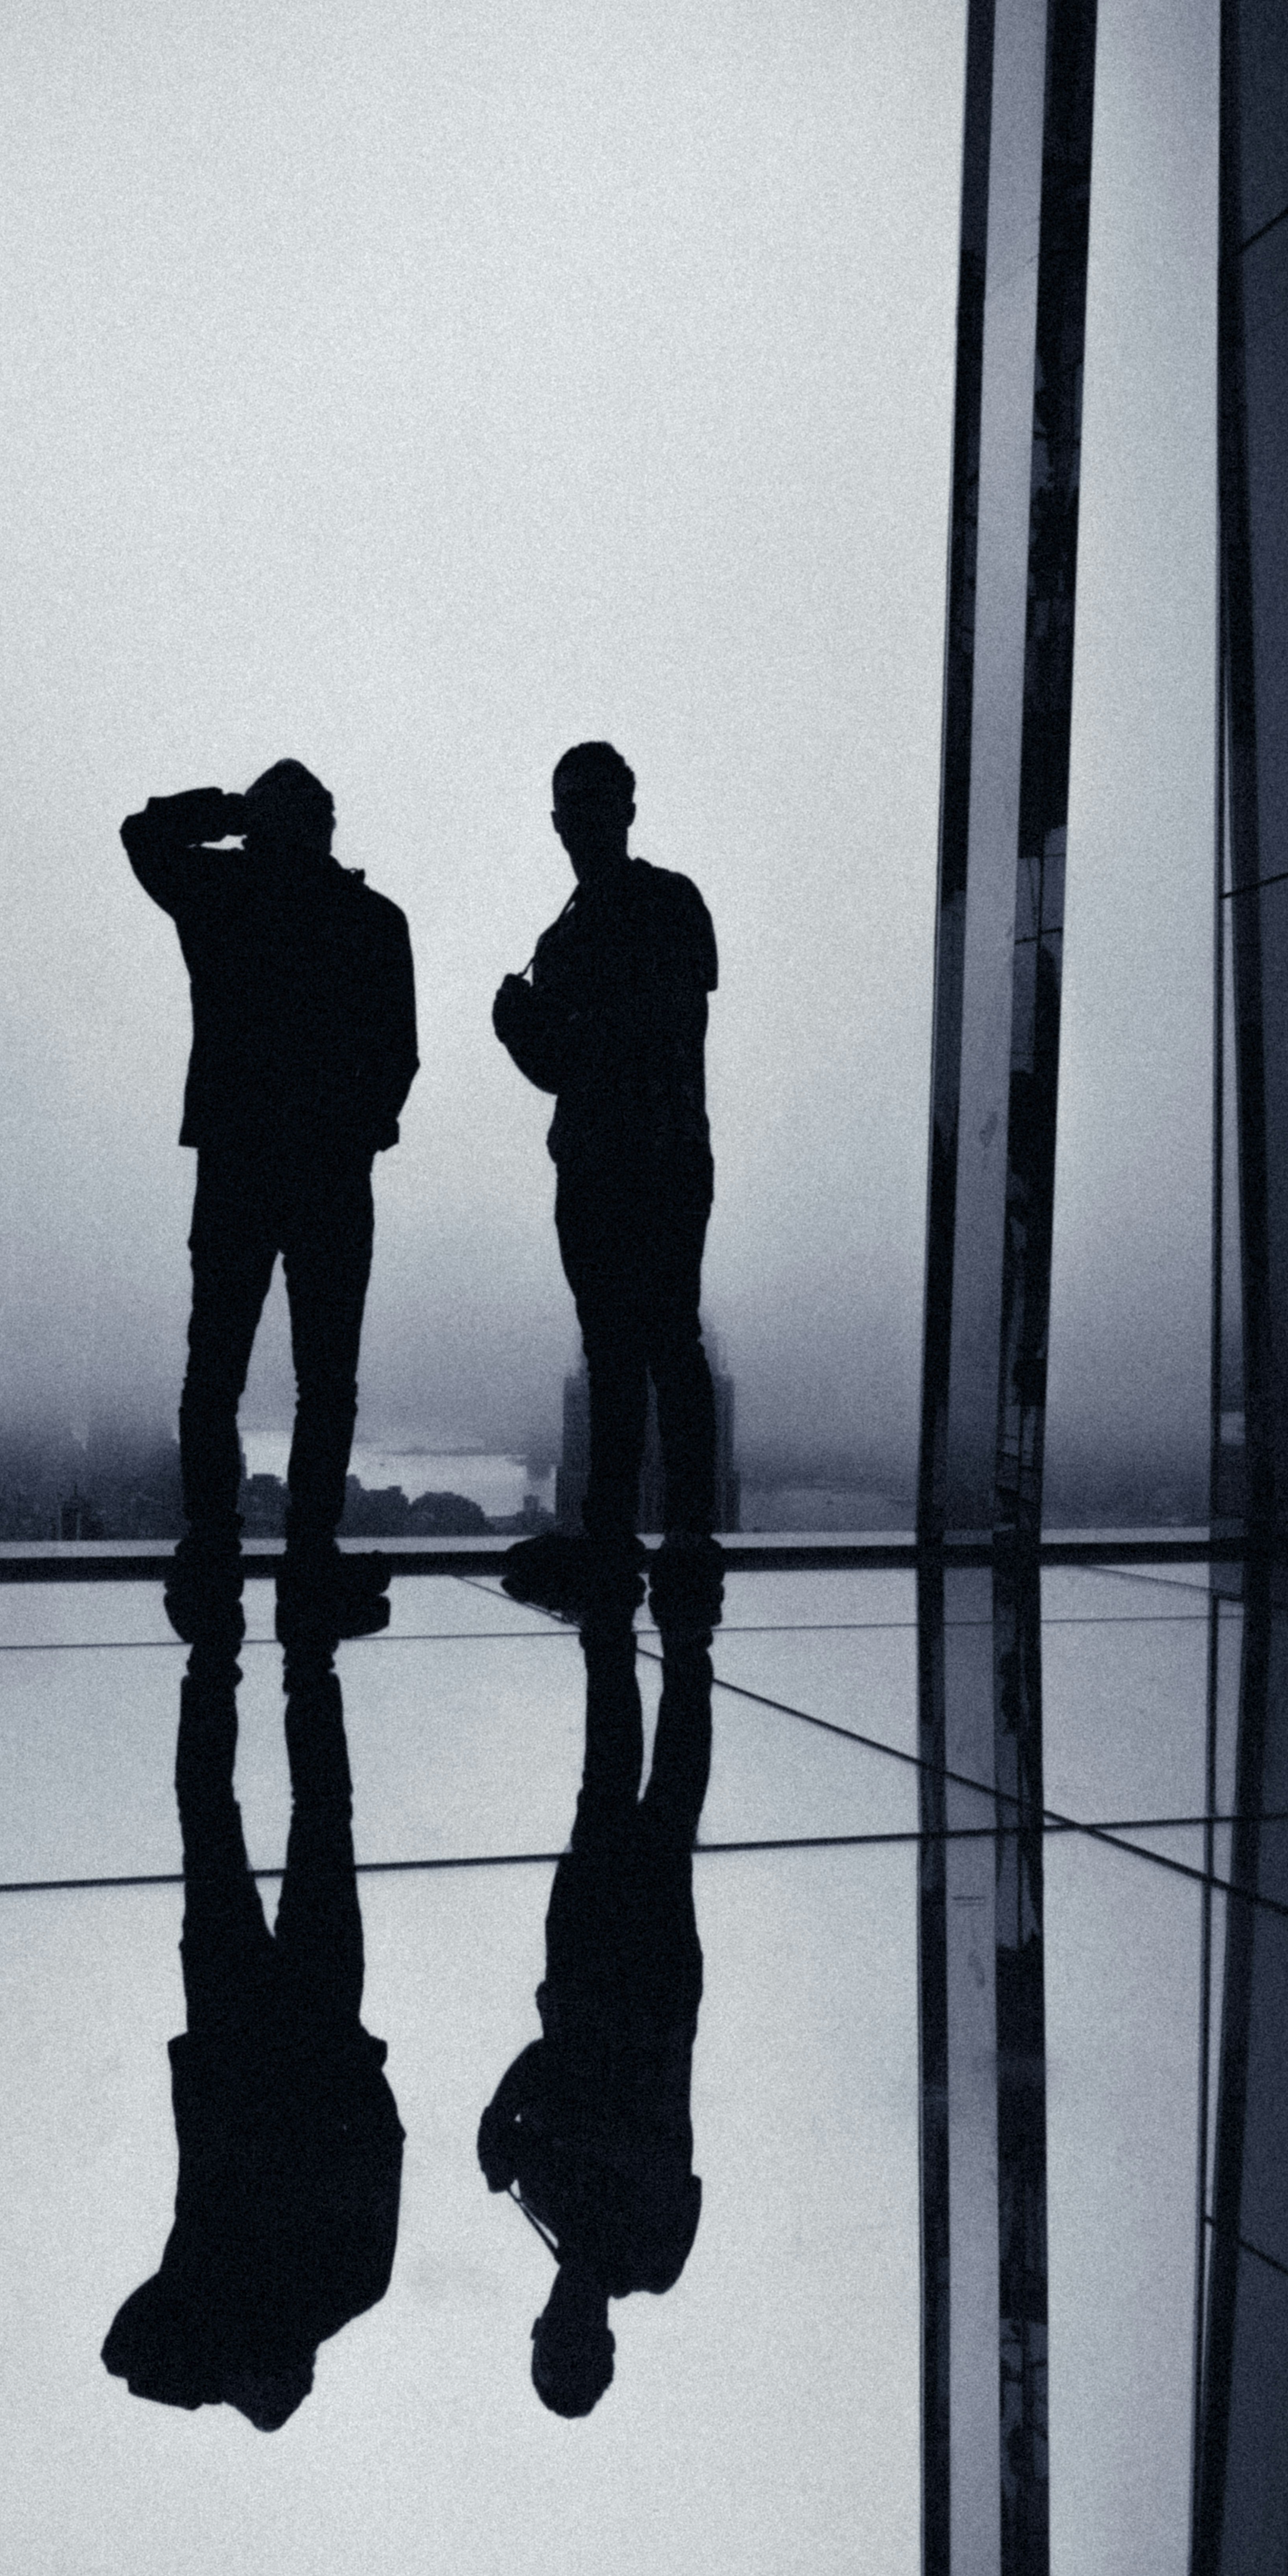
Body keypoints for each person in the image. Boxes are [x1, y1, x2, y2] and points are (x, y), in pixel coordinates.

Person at [120, 760, 417, 1637]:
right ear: (326, 827)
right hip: (327, 1174)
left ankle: (215, 1551)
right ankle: (307, 1559)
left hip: (241, 1164)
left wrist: (225, 812)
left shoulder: (222, 895)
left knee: (218, 1371)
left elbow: (143, 835)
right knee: (322, 1382)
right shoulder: (370, 919)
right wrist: (360, 1130)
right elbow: (398, 1056)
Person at [100, 1602, 404, 2429]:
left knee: (315, 1817)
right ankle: (220, 1651)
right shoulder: (216, 2298)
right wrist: (214, 2376)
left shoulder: (343, 2288)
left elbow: (385, 2143)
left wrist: (354, 2065)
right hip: (246, 2035)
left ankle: (302, 1651)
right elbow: (125, 2353)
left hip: (309, 2027)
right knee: (217, 1819)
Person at [491, 740, 723, 1622]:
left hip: (627, 1161)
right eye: (575, 810)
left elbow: (609, 1043)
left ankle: (635, 1533)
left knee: (640, 1349)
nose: (581, 825)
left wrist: (527, 1027)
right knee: (648, 1348)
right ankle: (665, 1534)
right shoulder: (655, 907)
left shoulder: (614, 920)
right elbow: (599, 1050)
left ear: (622, 811)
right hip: (641, 1157)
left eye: (591, 807)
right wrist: (527, 1031)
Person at [476, 1606, 711, 2415]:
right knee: (646, 1802)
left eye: (553, 2334)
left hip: (603, 1977)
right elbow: (650, 2149)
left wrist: (505, 2119)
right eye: (573, 2338)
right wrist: (508, 2125)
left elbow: (561, 2079)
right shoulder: (647, 2256)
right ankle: (637, 1630)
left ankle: (653, 1632)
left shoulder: (557, 2199)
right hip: (637, 1987)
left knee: (631, 1796)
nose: (564, 2319)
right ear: (598, 2340)